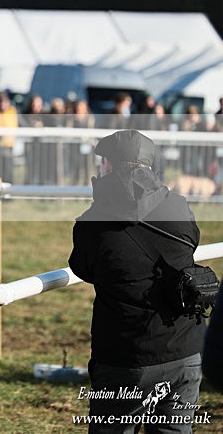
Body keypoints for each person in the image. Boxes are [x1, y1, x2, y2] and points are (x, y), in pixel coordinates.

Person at [69, 129, 205, 431]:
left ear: (108, 164)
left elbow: (83, 269)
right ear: (149, 165)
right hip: (185, 350)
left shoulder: (91, 222)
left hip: (125, 357)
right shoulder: (179, 205)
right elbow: (191, 244)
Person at [0, 91, 18, 183]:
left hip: (9, 145)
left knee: (8, 170)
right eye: (0, 101)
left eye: (5, 101)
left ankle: (9, 190)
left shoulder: (12, 111)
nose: (2, 104)